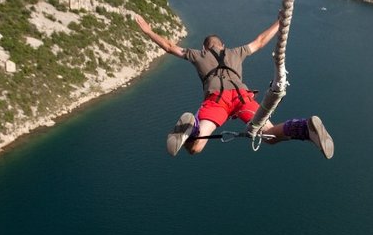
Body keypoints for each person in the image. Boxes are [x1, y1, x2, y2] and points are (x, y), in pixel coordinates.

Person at [134, 13, 334, 158]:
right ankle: (304, 127)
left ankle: (192, 127)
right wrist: (280, 22)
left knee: (195, 148)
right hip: (242, 98)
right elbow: (261, 41)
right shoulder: (236, 52)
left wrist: (149, 31)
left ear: (205, 47)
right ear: (224, 45)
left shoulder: (198, 54)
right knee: (270, 136)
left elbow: (169, 47)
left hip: (216, 101)